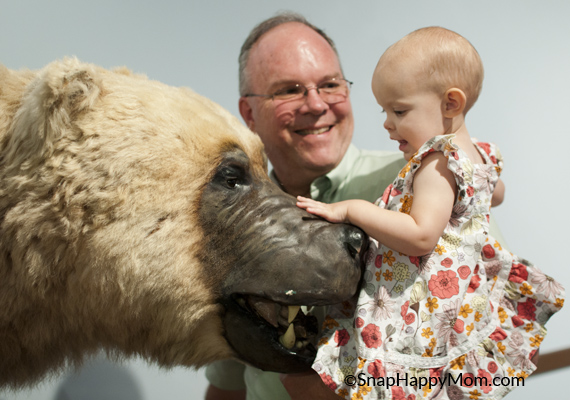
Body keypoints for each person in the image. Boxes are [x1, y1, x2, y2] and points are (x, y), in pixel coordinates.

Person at [204, 13, 505, 400]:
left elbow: (477, 359)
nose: (316, 104)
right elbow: (226, 381)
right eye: (290, 89)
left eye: (330, 84)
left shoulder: (430, 183)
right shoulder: (231, 223)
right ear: (249, 114)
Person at [296, 27, 564, 400]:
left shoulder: (437, 163)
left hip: (422, 307)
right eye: (385, 110)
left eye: (399, 110)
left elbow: (421, 235)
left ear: (451, 104)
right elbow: (494, 193)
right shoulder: (480, 154)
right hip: (462, 303)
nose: (388, 123)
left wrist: (352, 209)